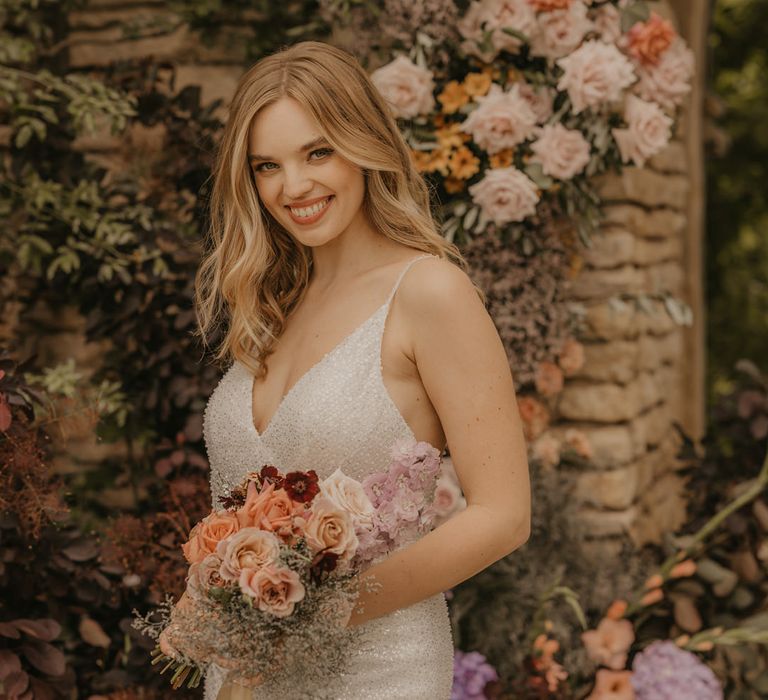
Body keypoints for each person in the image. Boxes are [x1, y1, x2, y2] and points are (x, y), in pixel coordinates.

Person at [166, 40, 531, 699]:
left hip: (376, 672)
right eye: (266, 166)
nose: (294, 186)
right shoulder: (272, 307)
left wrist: (313, 613)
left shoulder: (429, 294)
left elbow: (503, 515)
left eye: (317, 152)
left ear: (363, 145)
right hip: (246, 678)